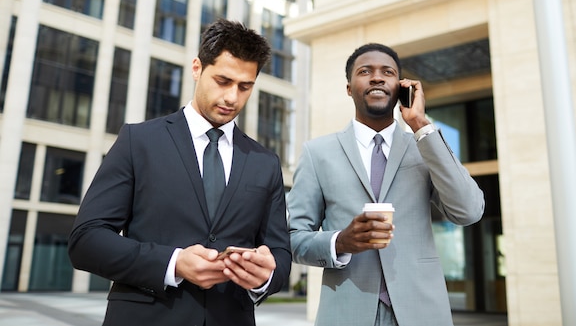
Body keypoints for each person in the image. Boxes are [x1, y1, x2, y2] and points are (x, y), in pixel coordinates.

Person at [69, 19, 291, 326]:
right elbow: (86, 241)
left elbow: (279, 252)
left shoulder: (265, 162)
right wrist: (174, 263)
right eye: (223, 81)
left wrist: (267, 275)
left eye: (244, 87)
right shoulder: (139, 141)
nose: (232, 98)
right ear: (197, 68)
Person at [287, 43, 485, 326]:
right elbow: (293, 238)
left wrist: (421, 124)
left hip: (422, 312)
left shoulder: (424, 147)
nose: (377, 77)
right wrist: (340, 242)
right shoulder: (317, 153)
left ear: (401, 87)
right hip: (346, 314)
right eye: (365, 71)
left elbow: (469, 210)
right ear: (349, 87)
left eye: (388, 72)